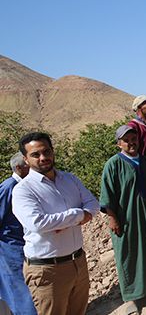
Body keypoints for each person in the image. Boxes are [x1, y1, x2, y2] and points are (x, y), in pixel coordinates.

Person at [12, 132, 100, 315]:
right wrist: (77, 215)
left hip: (78, 262)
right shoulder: (23, 190)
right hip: (47, 270)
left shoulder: (70, 179)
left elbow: (93, 204)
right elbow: (39, 223)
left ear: (52, 152)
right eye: (35, 154)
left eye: (46, 152)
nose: (43, 158)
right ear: (25, 159)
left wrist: (62, 221)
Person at [100, 125, 146, 313]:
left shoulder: (144, 162)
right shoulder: (113, 164)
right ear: (119, 143)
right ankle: (132, 295)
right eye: (126, 140)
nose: (131, 143)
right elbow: (107, 196)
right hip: (126, 219)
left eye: (134, 139)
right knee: (128, 254)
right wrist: (113, 219)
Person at [0, 153, 37, 315]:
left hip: (25, 244)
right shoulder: (9, 187)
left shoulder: (27, 185)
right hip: (11, 248)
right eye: (28, 164)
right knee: (18, 287)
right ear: (19, 168)